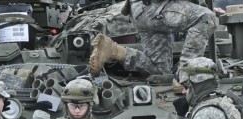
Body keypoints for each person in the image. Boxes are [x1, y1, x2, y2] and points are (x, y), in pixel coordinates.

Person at [88, 0, 218, 78]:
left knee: (161, 72)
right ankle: (185, 75)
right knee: (207, 18)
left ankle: (114, 50)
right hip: (154, 8)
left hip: (142, 12)